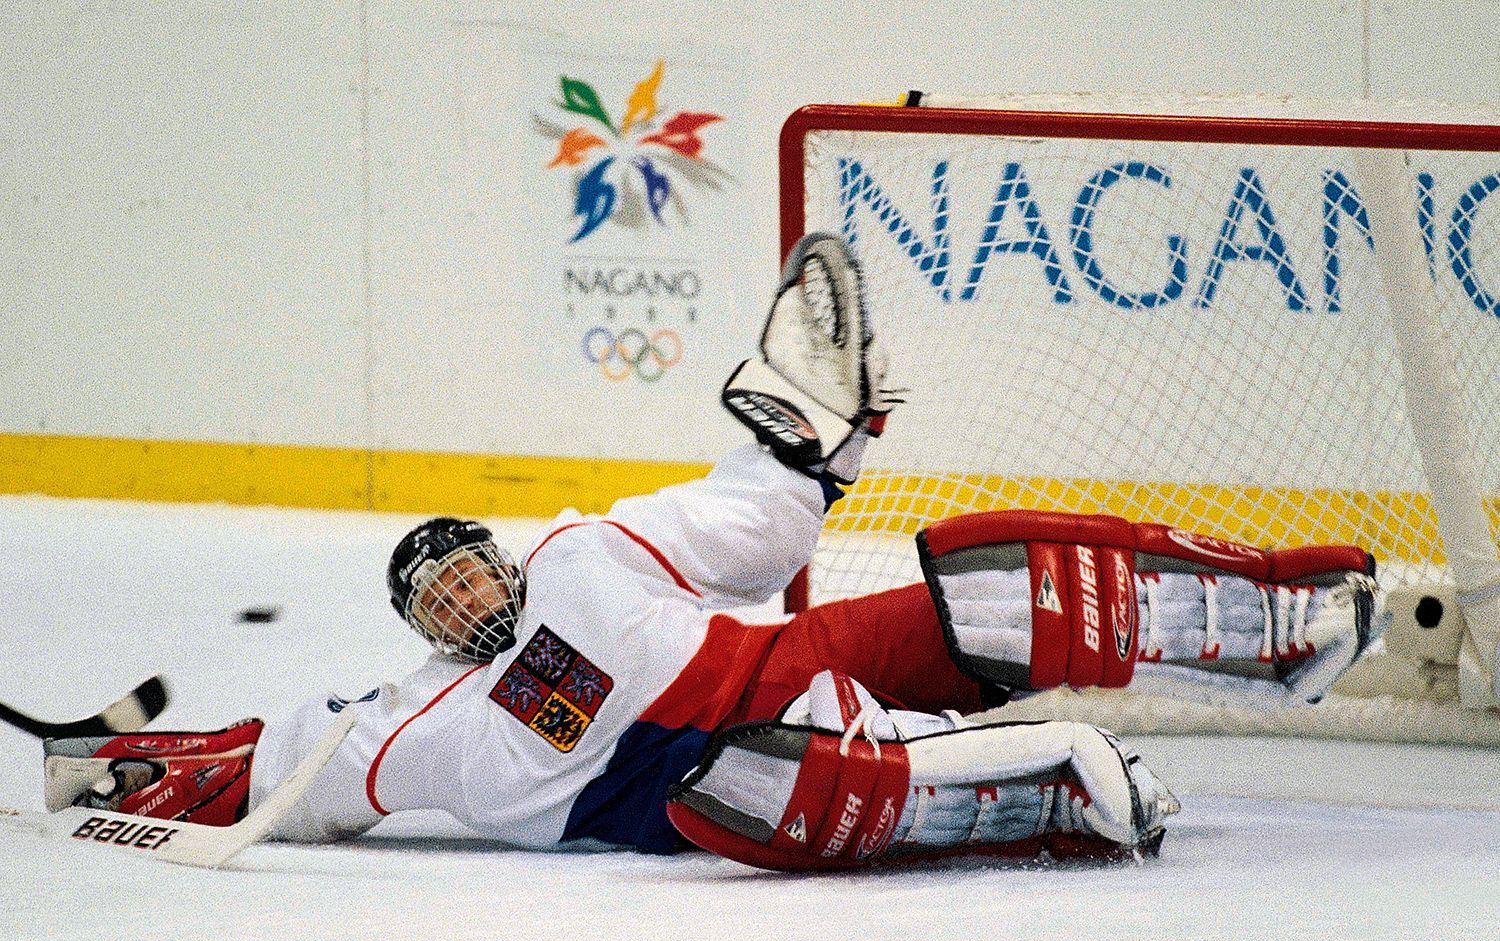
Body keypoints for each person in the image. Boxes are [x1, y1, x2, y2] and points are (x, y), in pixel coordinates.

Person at [42, 235, 1381, 870]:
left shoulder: (586, 549)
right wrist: (121, 767)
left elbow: (752, 520)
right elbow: (288, 762)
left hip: (798, 656)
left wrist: (812, 445)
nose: (456, 590)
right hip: (698, 781)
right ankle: (1064, 799)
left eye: (459, 563)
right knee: (754, 791)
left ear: (496, 558)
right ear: (427, 627)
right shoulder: (413, 721)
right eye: (431, 593)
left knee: (983, 571)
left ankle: (1283, 627)